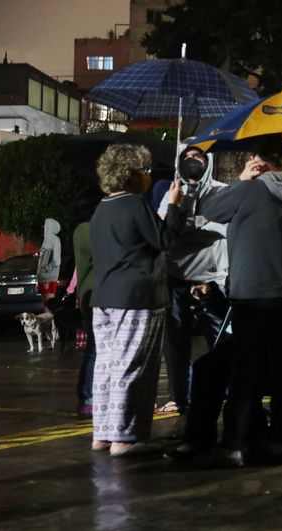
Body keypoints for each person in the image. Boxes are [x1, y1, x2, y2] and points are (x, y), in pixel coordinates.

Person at [200, 135, 282, 465]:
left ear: (256, 159)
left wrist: (241, 179)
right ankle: (280, 440)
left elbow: (208, 209)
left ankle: (239, 443)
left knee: (246, 372)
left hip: (252, 295)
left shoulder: (248, 190)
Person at [89, 144, 185, 457]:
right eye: (143, 171)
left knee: (106, 366)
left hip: (104, 297)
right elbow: (164, 240)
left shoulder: (102, 207)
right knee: (132, 365)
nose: (147, 177)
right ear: (131, 175)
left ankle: (103, 434)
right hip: (136, 297)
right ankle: (123, 438)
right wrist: (174, 206)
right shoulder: (134, 204)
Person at [156, 144, 228, 414]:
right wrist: (185, 219)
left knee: (220, 340)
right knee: (175, 343)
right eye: (186, 158)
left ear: (208, 161)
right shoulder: (172, 193)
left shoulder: (222, 192)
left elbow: (224, 229)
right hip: (176, 277)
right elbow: (166, 232)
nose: (192, 161)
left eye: (197, 157)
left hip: (211, 278)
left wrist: (191, 223)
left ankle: (226, 391)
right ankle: (179, 396)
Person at [70, 187, 105, 417]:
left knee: (98, 347)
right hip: (92, 294)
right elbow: (103, 252)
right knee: (94, 348)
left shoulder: (88, 228)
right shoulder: (85, 229)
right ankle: (86, 396)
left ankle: (90, 395)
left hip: (95, 293)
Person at [37, 218, 61, 311]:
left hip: (49, 277)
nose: (44, 227)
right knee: (45, 305)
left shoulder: (55, 240)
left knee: (50, 304)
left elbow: (56, 260)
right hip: (42, 277)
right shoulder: (45, 241)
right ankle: (47, 325)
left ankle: (52, 324)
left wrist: (45, 269)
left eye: (46, 225)